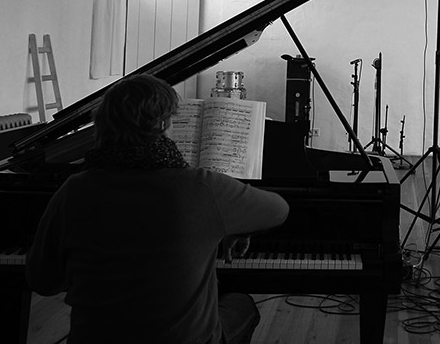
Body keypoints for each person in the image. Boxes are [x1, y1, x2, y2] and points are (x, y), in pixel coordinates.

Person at [26, 74, 290, 344]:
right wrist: (236, 226)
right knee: (241, 304)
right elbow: (279, 210)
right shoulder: (201, 187)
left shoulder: (75, 190)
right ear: (163, 124)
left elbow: (42, 281)